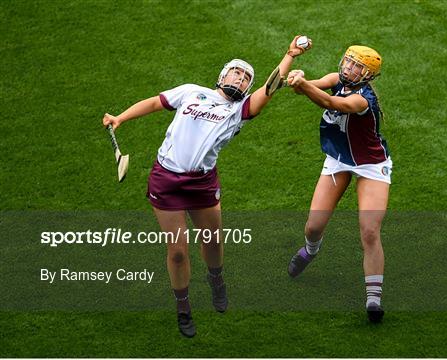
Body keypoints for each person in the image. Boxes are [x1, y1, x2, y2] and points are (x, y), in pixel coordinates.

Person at [102, 36, 311, 338]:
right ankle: (183, 307)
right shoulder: (191, 92)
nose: (240, 77)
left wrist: (289, 55)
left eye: (246, 77)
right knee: (176, 252)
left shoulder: (239, 111)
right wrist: (120, 117)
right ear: (222, 75)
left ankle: (216, 279)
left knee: (212, 242)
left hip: (201, 183)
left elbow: (271, 86)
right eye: (236, 72)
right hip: (166, 179)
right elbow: (154, 102)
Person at [286, 45, 390, 323]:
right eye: (348, 61)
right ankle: (310, 250)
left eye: (356, 66)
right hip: (338, 158)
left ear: (367, 75)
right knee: (313, 226)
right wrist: (298, 79)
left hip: (371, 164)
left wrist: (304, 85)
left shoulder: (362, 100)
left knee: (369, 230)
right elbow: (311, 88)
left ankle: (373, 299)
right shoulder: (336, 80)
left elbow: (331, 103)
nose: (348, 68)